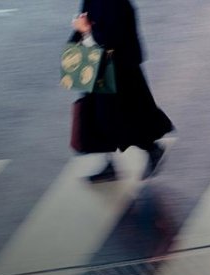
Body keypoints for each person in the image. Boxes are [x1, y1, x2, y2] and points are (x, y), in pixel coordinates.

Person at [69, 0, 174, 183]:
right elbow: (86, 19)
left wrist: (85, 31)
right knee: (99, 117)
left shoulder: (115, 4)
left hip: (119, 70)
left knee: (120, 117)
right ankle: (112, 164)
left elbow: (111, 39)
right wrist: (79, 38)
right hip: (99, 64)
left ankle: (151, 149)